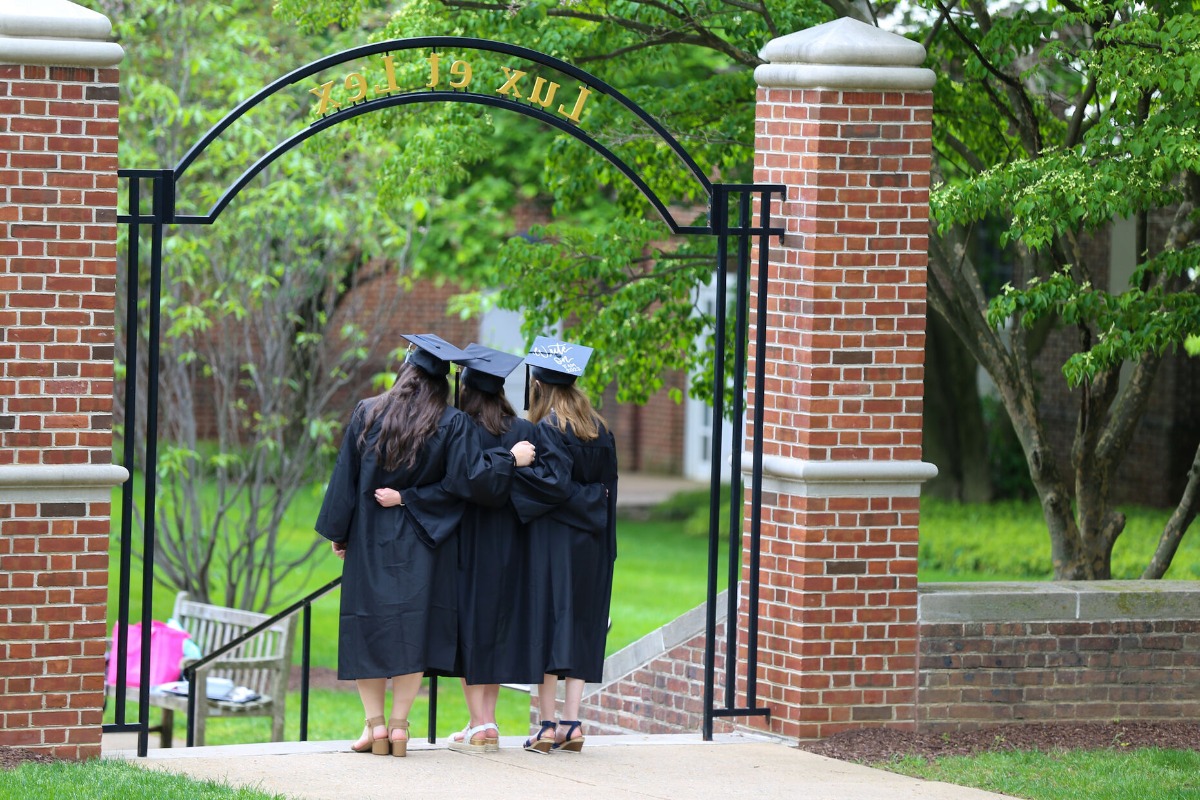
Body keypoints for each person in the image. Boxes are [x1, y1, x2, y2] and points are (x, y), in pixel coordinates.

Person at [315, 333, 534, 757]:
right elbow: (466, 483)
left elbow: (346, 479)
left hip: (372, 540)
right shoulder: (451, 422)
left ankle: (374, 727)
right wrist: (506, 461)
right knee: (411, 633)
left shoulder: (367, 412)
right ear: (441, 381)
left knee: (368, 629)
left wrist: (340, 533)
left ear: (405, 370)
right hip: (424, 542)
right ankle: (399, 728)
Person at [513, 336, 618, 754]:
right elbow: (607, 494)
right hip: (592, 543)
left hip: (554, 543)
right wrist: (595, 505)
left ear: (538, 386)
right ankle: (573, 724)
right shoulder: (600, 428)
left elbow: (552, 486)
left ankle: (546, 725)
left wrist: (513, 472)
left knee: (548, 622)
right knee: (581, 624)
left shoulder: (547, 428)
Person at [443, 343, 537, 753]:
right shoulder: (523, 431)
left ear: (466, 388)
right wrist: (511, 463)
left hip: (469, 542)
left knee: (470, 630)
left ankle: (481, 724)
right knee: (494, 628)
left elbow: (466, 482)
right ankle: (484, 721)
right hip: (510, 543)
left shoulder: (459, 427)